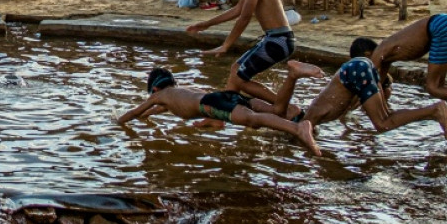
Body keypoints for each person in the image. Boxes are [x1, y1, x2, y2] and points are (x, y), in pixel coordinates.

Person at [277, 39, 447, 143]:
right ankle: (437, 111)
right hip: (358, 70)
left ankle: (434, 110)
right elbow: (378, 104)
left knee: (383, 124)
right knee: (386, 118)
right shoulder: (318, 110)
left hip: (356, 69)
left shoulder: (311, 118)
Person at [118, 68, 322, 156]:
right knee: (271, 110)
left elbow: (136, 112)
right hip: (222, 96)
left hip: (212, 103)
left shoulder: (158, 97)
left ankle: (297, 128)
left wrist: (118, 122)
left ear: (154, 89)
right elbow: (151, 113)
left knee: (253, 120)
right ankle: (295, 114)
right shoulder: (177, 94)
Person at [187, 0, 293, 105]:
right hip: (275, 39)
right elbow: (236, 10)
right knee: (236, 70)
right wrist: (205, 24)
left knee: (239, 78)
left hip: (278, 41)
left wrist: (226, 45)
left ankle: (284, 106)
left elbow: (245, 16)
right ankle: (225, 110)